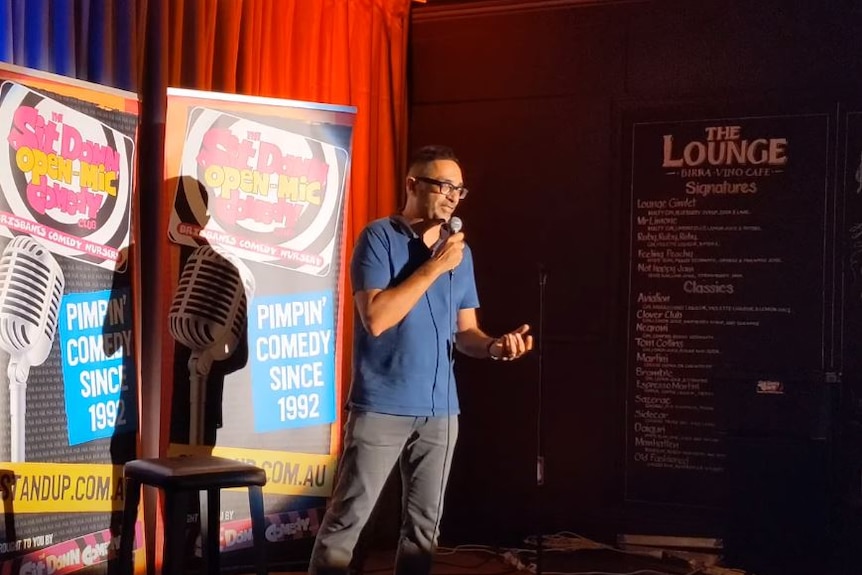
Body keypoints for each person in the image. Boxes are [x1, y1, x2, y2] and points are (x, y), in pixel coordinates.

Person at [309, 145, 533, 575]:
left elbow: (465, 332)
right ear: (412, 184)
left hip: (441, 413)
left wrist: (493, 347)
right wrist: (432, 267)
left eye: (459, 190)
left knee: (423, 532)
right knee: (347, 524)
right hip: (381, 406)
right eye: (443, 185)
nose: (452, 196)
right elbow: (375, 318)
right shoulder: (378, 238)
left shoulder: (458, 253)